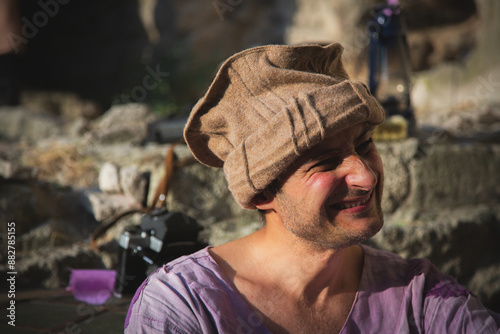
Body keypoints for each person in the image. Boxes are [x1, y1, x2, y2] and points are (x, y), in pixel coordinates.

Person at [125, 43, 500, 333]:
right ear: (261, 194)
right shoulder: (185, 307)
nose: (366, 177)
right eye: (324, 161)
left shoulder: (421, 299)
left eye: (364, 144)